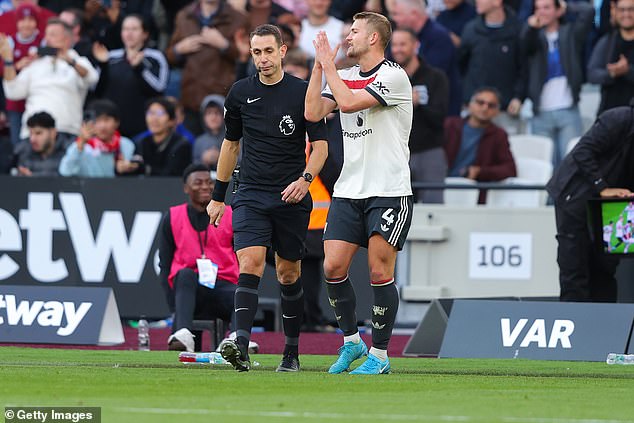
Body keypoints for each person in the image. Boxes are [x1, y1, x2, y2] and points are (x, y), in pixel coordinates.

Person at [206, 24, 328, 373]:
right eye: (256, 52)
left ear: (283, 51)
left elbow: (321, 147)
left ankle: (291, 353)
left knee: (289, 274)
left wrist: (305, 181)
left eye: (268, 51)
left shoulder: (303, 93)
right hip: (250, 194)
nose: (262, 58)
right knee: (251, 262)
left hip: (291, 196)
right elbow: (230, 146)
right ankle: (240, 344)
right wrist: (218, 196)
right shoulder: (240, 93)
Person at [305, 12, 414, 374]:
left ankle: (380, 356)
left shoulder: (393, 76)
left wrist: (329, 67)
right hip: (349, 189)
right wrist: (320, 67)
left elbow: (349, 104)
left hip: (388, 190)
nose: (346, 37)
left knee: (379, 271)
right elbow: (312, 110)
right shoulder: (345, 75)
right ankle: (352, 341)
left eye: (353, 31)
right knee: (333, 266)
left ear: (373, 39)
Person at [546, 103, 634, 302]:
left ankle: (606, 326)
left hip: (613, 204)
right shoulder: (618, 117)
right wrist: (602, 187)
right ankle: (575, 326)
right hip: (575, 196)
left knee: (606, 269)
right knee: (574, 266)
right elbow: (583, 151)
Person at [158, 164, 239, 353]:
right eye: (198, 183)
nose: (205, 186)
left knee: (241, 292)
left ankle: (237, 339)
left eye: (209, 182)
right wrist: (173, 305)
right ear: (186, 188)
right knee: (184, 274)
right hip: (190, 291)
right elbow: (165, 264)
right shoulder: (172, 216)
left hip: (222, 286)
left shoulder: (230, 214)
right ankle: (182, 334)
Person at [0, 18, 99, 143]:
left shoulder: (79, 61)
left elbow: (92, 78)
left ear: (67, 39)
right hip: (33, 133)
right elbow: (12, 92)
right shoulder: (34, 63)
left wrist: (70, 62)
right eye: (46, 34)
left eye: (52, 35)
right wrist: (8, 61)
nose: (47, 39)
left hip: (66, 131)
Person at [521, 0, 594, 166]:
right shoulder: (534, 35)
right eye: (538, 8)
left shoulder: (570, 33)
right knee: (544, 165)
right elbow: (523, 46)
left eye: (547, 7)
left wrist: (567, 6)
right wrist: (532, 28)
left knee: (571, 163)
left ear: (558, 10)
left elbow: (589, 12)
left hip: (568, 109)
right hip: (541, 112)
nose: (541, 12)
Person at [166, 0, 247, 136]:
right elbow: (170, 56)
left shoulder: (238, 18)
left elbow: (247, 55)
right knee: (194, 149)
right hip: (191, 98)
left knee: (224, 149)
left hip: (221, 99)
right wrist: (178, 49)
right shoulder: (184, 15)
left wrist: (224, 45)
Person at [391, 27, 449, 204]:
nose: (398, 49)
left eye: (403, 44)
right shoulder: (388, 77)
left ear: (416, 45)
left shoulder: (435, 77)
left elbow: (440, 117)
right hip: (396, 152)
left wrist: (417, 105)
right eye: (394, 45)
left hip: (429, 150)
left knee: (434, 209)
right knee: (396, 207)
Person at [92, 14, 169, 138]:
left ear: (145, 34)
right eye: (125, 29)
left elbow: (158, 89)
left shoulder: (154, 57)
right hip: (111, 129)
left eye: (134, 29)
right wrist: (103, 65)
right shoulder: (110, 57)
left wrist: (138, 69)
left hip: (141, 127)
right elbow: (97, 90)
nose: (129, 33)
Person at [458, 0, 524, 134]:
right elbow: (461, 65)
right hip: (475, 110)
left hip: (505, 110)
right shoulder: (470, 29)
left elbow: (523, 68)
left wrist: (518, 97)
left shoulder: (518, 29)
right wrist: (467, 97)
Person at [389, 0, 462, 116]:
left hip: (439, 114)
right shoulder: (398, 36)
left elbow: (432, 76)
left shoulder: (439, 37)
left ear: (413, 14)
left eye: (397, 14)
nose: (394, 19)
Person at [444, 87, 517, 203]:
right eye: (480, 102)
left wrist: (479, 172)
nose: (485, 108)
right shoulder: (450, 125)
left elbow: (510, 169)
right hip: (440, 186)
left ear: (497, 111)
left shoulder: (499, 135)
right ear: (470, 105)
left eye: (491, 105)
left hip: (474, 194)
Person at [58, 99, 135, 177]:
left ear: (117, 122)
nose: (102, 126)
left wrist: (128, 168)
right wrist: (81, 143)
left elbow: (137, 169)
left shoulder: (126, 144)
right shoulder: (83, 147)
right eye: (97, 120)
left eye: (106, 120)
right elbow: (65, 171)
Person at [1, 3, 43, 146]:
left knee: (36, 138)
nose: (27, 24)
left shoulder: (42, 42)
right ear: (17, 22)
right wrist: (16, 66)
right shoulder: (9, 42)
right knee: (17, 141)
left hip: (36, 99)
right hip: (15, 102)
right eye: (22, 20)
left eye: (31, 20)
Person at [587, 0, 634, 114]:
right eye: (622, 10)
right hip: (610, 115)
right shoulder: (607, 41)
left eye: (631, 9)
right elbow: (592, 74)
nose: (626, 14)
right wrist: (611, 74)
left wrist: (627, 71)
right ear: (615, 11)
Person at [129, 97, 192, 177]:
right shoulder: (140, 143)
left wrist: (145, 169)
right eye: (151, 113)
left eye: (160, 113)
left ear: (172, 121)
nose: (154, 119)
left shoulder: (182, 145)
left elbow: (172, 176)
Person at [11, 110, 68, 176]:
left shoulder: (68, 152)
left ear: (53, 133)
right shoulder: (23, 151)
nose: (32, 139)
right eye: (31, 134)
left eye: (38, 133)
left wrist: (32, 177)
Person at [192, 94, 225, 169]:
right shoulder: (199, 142)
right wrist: (203, 161)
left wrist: (222, 158)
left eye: (217, 113)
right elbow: (194, 170)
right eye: (209, 113)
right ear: (203, 117)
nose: (213, 117)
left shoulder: (237, 140)